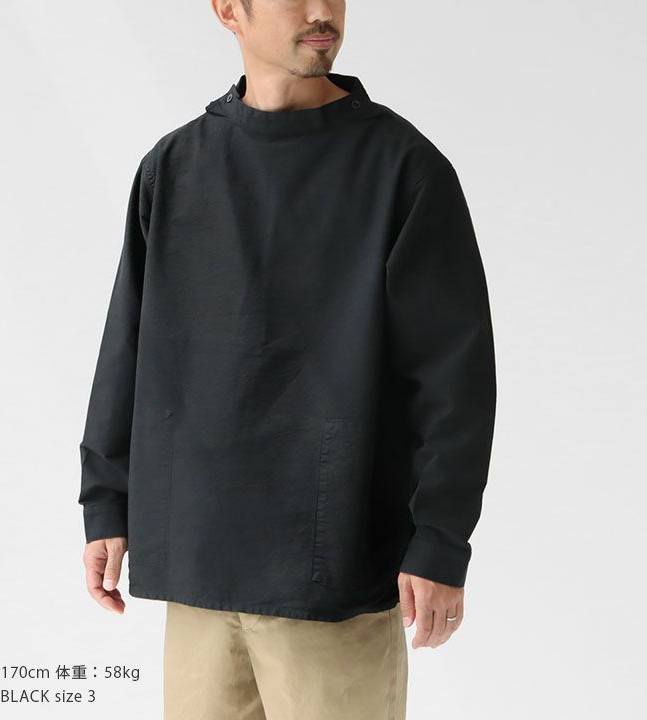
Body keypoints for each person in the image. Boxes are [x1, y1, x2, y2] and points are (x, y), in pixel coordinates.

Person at [77, 1, 497, 718]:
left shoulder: (402, 168)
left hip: (334, 570)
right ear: (228, 10)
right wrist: (106, 501)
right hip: (199, 560)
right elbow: (129, 344)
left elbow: (453, 376)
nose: (321, 11)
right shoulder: (175, 166)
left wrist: (440, 539)